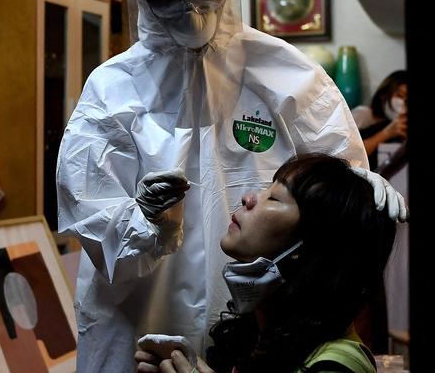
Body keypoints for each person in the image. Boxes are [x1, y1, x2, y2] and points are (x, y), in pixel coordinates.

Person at [56, 0, 405, 371]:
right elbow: (94, 222)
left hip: (258, 317)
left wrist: (358, 188)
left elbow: (332, 184)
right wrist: (144, 221)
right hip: (138, 317)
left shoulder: (283, 71)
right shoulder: (113, 90)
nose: (191, 10)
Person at [136, 153, 398, 373]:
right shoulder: (256, 335)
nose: (248, 198)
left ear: (310, 245)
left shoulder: (335, 365)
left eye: (274, 197)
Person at [351, 70, 408, 169]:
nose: (403, 103)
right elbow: (348, 154)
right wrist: (387, 133)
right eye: (400, 96)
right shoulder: (363, 115)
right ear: (383, 95)